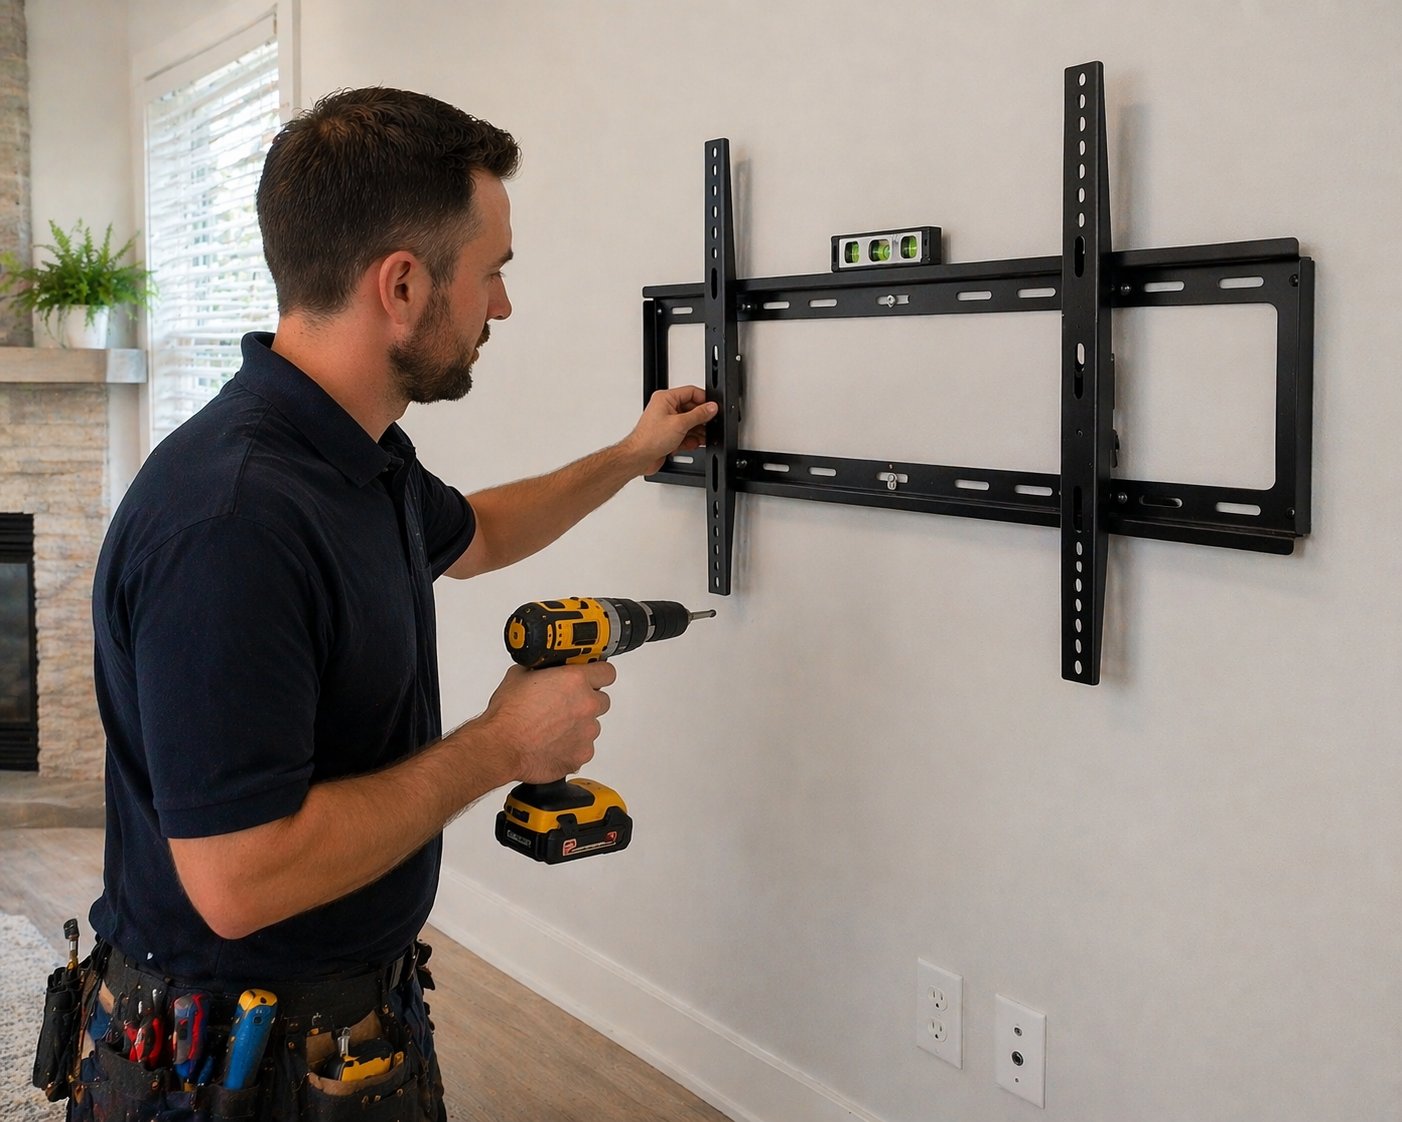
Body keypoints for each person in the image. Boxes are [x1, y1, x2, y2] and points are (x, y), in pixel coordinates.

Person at [73, 87, 715, 1121]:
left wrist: (632, 456)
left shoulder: (350, 458)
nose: (500, 305)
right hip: (228, 1069)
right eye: (492, 270)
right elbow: (240, 880)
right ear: (405, 285)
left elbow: (482, 533)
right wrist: (503, 746)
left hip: (351, 1020)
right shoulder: (233, 523)